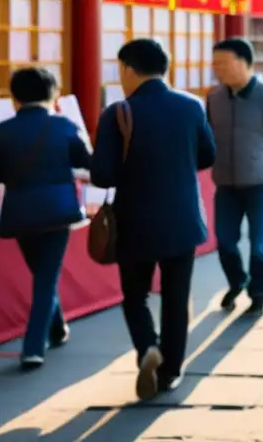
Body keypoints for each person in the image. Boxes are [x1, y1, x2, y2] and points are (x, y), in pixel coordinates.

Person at [91, 39, 216, 399]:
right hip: (182, 218)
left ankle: (148, 348)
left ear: (129, 69)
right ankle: (171, 373)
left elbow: (102, 175)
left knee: (136, 295)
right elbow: (207, 156)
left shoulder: (118, 113)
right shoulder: (191, 106)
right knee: (177, 298)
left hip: (135, 222)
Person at [0, 67, 91, 370]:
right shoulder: (64, 126)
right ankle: (33, 347)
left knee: (43, 274)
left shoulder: (2, 131)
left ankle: (56, 328)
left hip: (19, 212)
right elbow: (86, 162)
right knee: (46, 277)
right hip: (58, 210)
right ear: (53, 93)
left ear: (13, 98)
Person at [208, 38, 263, 316]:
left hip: (260, 179)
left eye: (225, 63)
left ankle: (258, 291)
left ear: (246, 63)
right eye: (216, 64)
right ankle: (237, 281)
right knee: (224, 239)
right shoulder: (214, 97)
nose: (219, 69)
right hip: (224, 180)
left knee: (259, 239)